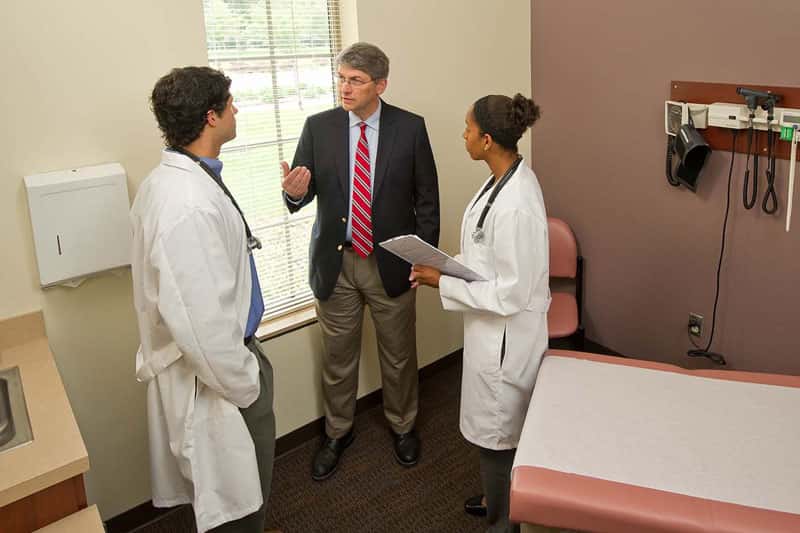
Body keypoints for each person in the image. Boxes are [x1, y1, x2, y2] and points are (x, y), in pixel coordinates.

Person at [131, 66, 301, 533]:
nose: (237, 111)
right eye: (230, 104)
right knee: (239, 508)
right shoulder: (184, 204)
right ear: (211, 117)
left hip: (229, 364)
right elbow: (200, 323)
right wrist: (247, 382)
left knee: (235, 494)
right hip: (222, 380)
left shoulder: (189, 180)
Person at [280, 42, 440, 481]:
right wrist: (293, 193)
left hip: (392, 262)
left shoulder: (410, 128)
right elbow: (300, 191)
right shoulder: (319, 127)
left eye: (355, 80)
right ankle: (337, 432)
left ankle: (404, 425)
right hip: (338, 265)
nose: (344, 88)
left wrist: (423, 260)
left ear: (380, 85)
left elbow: (427, 198)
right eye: (341, 78)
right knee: (337, 357)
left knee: (399, 355)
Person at [410, 94, 548, 533]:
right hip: (490, 331)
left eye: (468, 129)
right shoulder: (500, 182)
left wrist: (442, 282)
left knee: (498, 434)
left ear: (487, 140)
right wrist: (445, 265)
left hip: (506, 339)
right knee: (496, 430)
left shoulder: (517, 203)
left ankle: (505, 521)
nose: (463, 135)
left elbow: (510, 293)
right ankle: (498, 500)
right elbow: (486, 254)